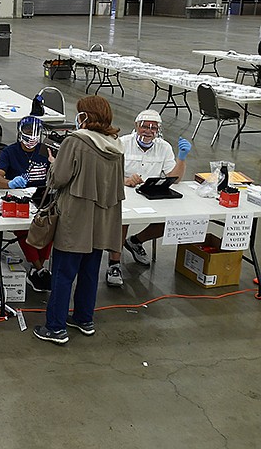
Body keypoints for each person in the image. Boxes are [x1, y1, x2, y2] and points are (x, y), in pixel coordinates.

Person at [33, 95, 125, 345]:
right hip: (102, 221)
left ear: (85, 116)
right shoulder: (116, 145)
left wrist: (53, 163)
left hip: (76, 220)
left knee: (63, 274)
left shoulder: (76, 142)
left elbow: (58, 179)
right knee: (89, 272)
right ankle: (84, 319)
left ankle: (55, 327)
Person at [105, 109, 192, 286]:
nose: (148, 131)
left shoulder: (164, 147)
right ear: (136, 126)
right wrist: (126, 180)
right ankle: (114, 264)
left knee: (169, 220)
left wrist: (181, 158)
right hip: (125, 193)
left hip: (150, 194)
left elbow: (174, 179)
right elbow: (107, 173)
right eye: (144, 126)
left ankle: (135, 241)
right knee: (122, 219)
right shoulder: (122, 143)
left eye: (153, 128)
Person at [0, 116, 54, 292]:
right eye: (27, 135)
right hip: (17, 199)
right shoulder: (10, 152)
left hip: (40, 198)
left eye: (35, 136)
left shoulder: (45, 151)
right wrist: (10, 183)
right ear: (20, 134)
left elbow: (58, 175)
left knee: (50, 224)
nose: (31, 140)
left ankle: (37, 269)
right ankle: (39, 269)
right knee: (23, 226)